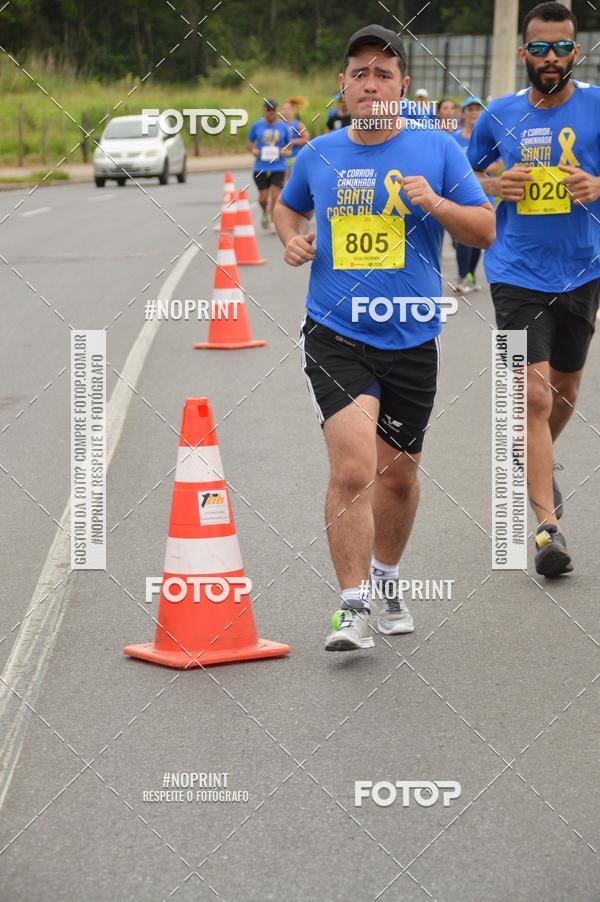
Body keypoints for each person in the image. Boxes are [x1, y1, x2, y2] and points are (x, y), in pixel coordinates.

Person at [274, 24, 494, 651]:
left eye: (384, 74)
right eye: (360, 74)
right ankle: (351, 606)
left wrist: (438, 206)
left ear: (403, 87)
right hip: (335, 333)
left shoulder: (440, 151)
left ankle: (387, 578)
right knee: (353, 468)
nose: (371, 84)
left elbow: (482, 231)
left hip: (412, 335)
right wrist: (292, 235)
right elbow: (288, 207)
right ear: (343, 86)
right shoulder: (317, 154)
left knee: (398, 476)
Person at [467, 1, 600, 576]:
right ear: (524, 52)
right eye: (540, 48)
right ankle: (548, 527)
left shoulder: (598, 106)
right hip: (514, 272)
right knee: (534, 397)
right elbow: (466, 179)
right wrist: (497, 182)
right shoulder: (498, 116)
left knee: (565, 391)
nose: (551, 58)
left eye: (562, 47)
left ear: (576, 50)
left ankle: (537, 461)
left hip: (582, 269)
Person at [452, 97, 486, 292]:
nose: (474, 113)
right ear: (463, 113)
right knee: (463, 237)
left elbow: (497, 163)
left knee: (477, 239)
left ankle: (471, 275)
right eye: (470, 109)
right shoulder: (453, 139)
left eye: (477, 109)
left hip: (482, 194)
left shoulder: (484, 138)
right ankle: (462, 276)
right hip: (459, 196)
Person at [246, 99, 291, 231]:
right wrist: (252, 150)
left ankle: (272, 220)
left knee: (276, 195)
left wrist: (284, 151)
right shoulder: (257, 126)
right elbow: (248, 142)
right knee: (263, 198)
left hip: (278, 166)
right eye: (268, 110)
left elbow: (289, 145)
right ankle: (264, 211)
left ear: (276, 111)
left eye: (273, 110)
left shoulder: (283, 127)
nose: (271, 113)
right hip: (261, 166)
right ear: (264, 111)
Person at [280, 99, 310, 185]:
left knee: (291, 181)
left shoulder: (298, 124)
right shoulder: (278, 124)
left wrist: (294, 142)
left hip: (294, 158)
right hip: (281, 159)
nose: (286, 111)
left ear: (292, 111)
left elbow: (306, 137)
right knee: (281, 183)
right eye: (284, 109)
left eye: (288, 109)